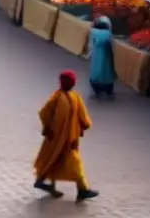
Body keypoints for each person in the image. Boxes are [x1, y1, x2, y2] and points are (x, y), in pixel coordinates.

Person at [33, 70, 98, 202]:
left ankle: (44, 182)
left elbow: (82, 114)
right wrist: (48, 128)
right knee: (56, 160)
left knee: (60, 160)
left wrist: (83, 125)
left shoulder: (74, 97)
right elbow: (44, 113)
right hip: (57, 138)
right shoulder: (57, 97)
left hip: (69, 138)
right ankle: (82, 190)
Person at [88, 16, 116, 100]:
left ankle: (97, 89)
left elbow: (90, 45)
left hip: (96, 56)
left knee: (95, 71)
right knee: (107, 71)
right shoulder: (108, 35)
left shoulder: (93, 33)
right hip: (106, 56)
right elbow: (112, 45)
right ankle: (108, 89)